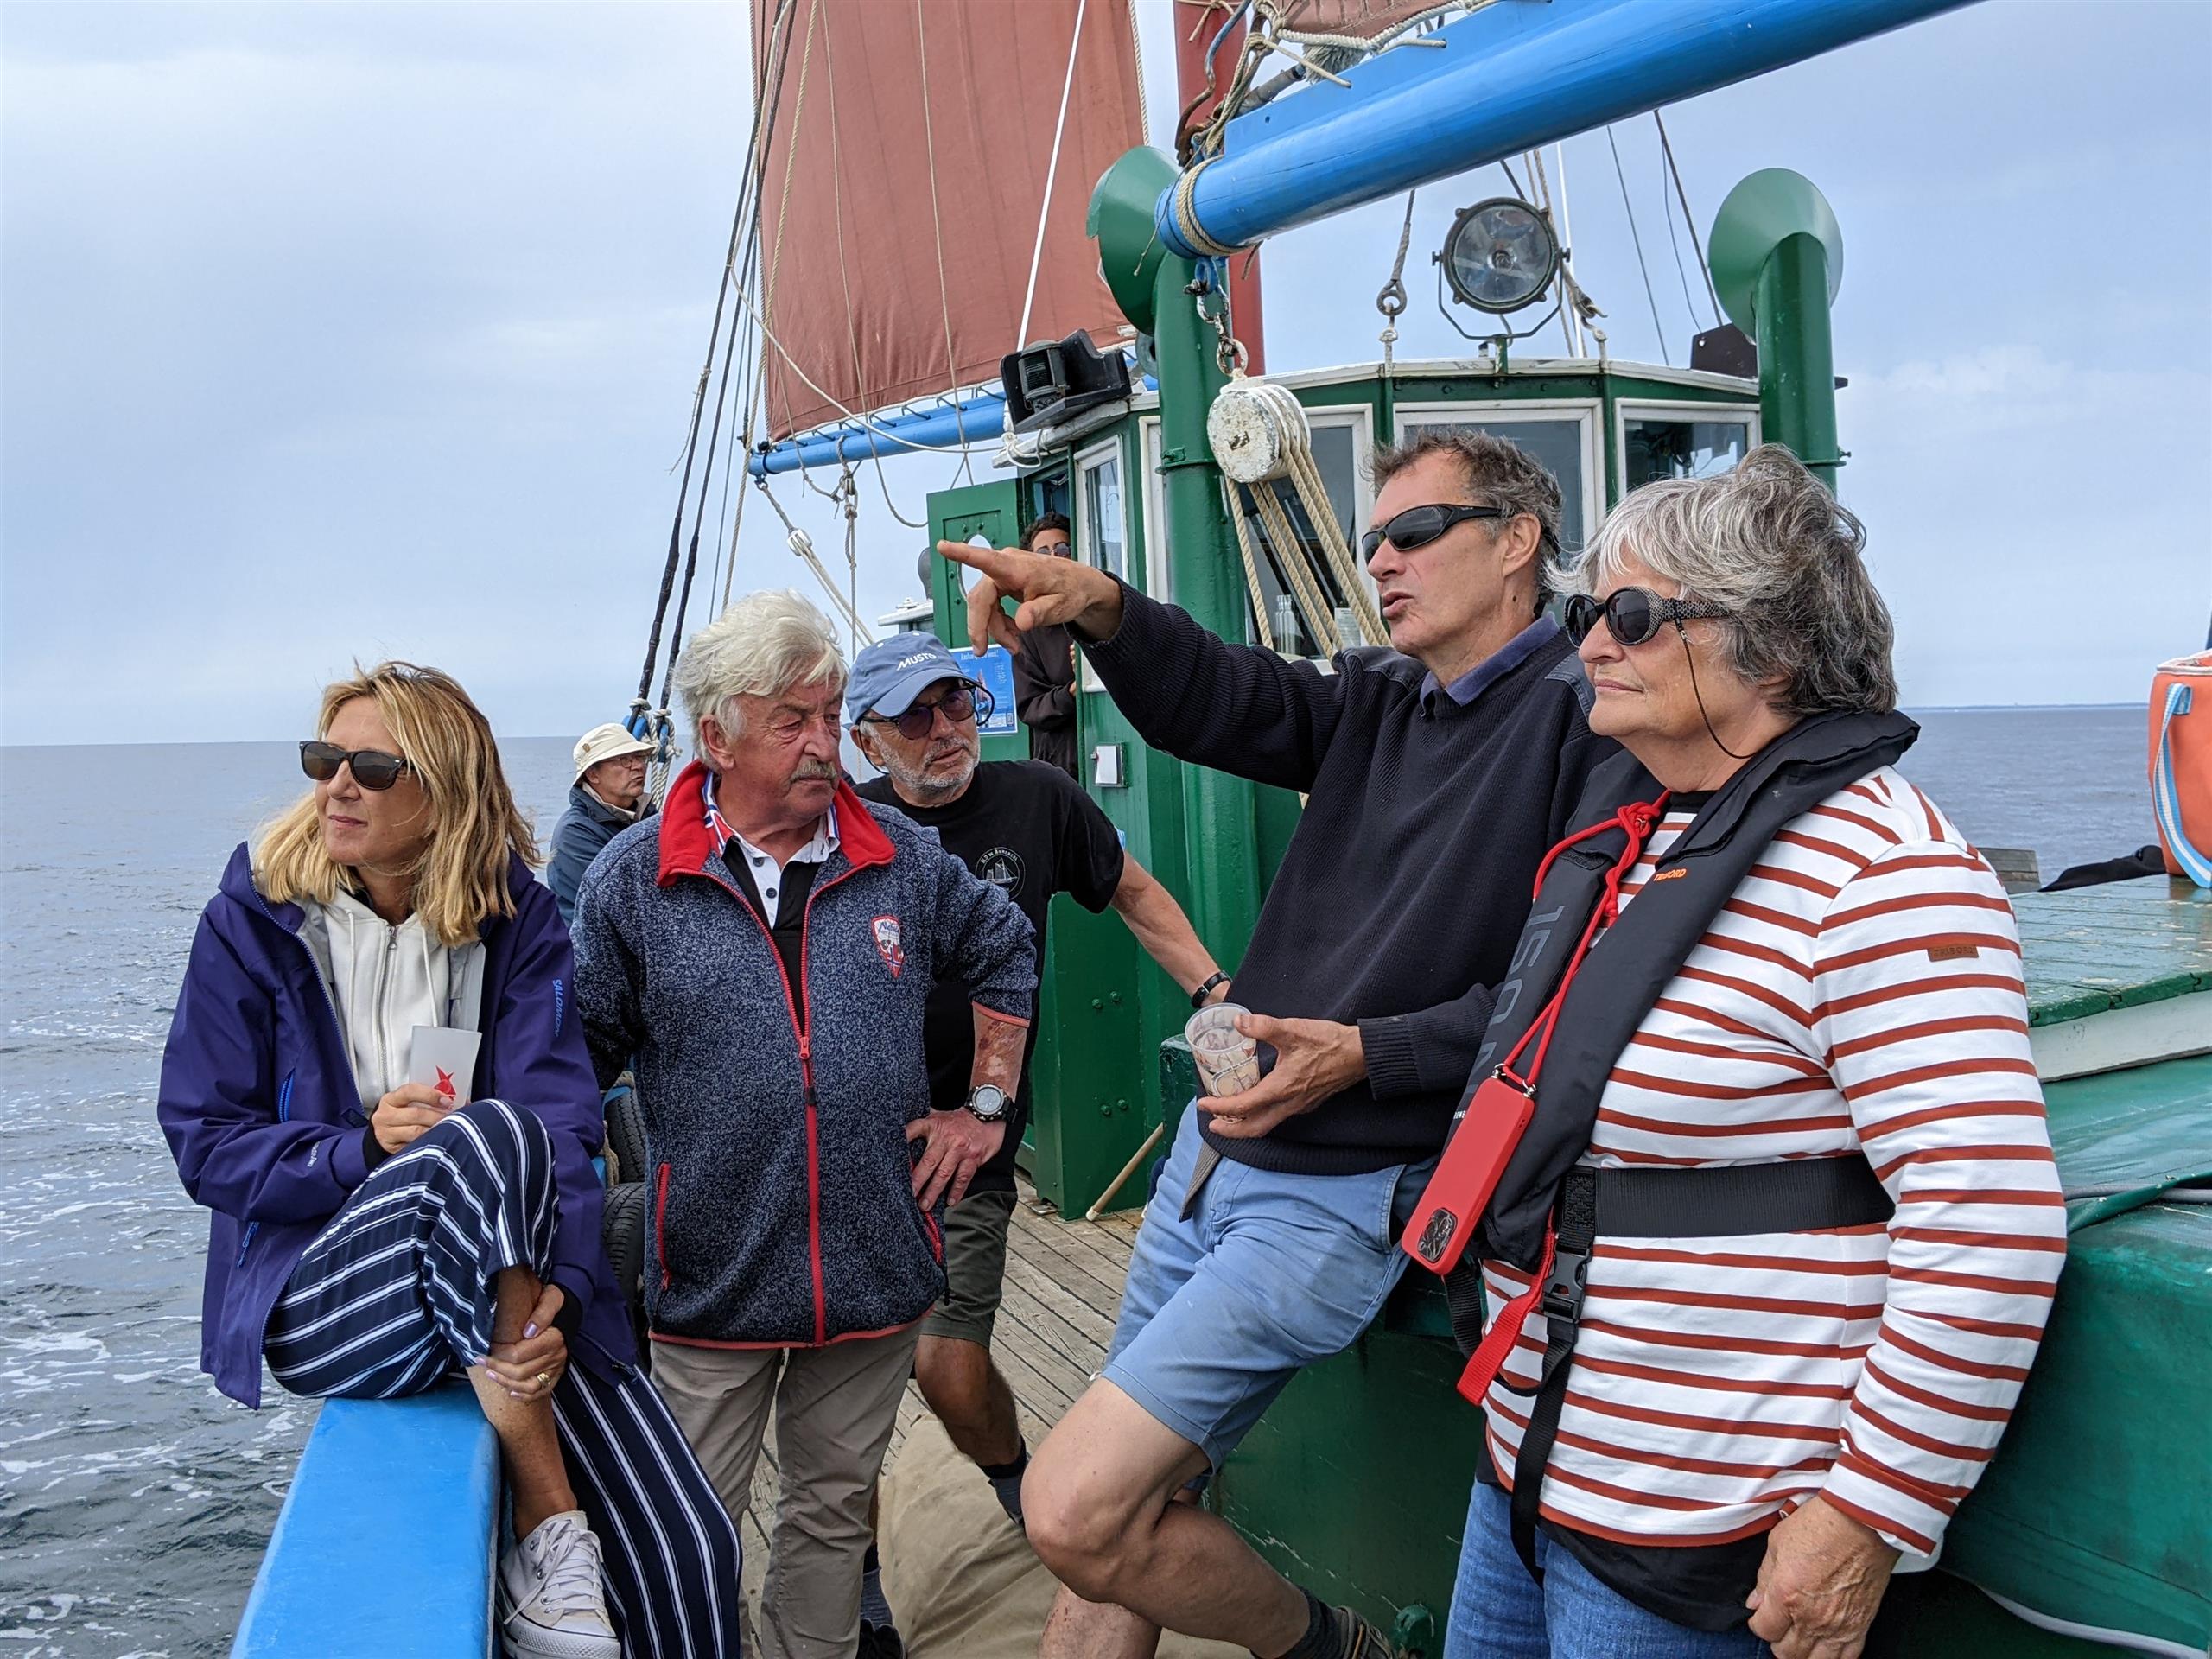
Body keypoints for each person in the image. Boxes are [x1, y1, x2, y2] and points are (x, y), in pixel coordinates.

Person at [943, 430, 1618, 1659]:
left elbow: (1581, 990)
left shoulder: (1592, 723)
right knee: (1131, 1496)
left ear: (1518, 541)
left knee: (1080, 1508)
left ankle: (1326, 1649)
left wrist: (1373, 1055)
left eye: (1414, 534)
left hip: (1340, 1191)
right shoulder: (1381, 697)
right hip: (1210, 1154)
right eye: (1372, 541)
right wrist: (1101, 608)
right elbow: (1225, 698)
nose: (1381, 561)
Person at [1440, 446, 2066, 1659]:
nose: (1591, 646)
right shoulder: (1649, 843)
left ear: (1770, 648)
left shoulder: (1886, 877)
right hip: (1530, 1470)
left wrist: (1868, 1512)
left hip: (1697, 1529)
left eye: (1630, 614)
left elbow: (1987, 1219)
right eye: (1586, 614)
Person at [156, 661, 742, 1659]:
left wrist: (561, 1286)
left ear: (447, 788)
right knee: (485, 1132)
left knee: (695, 1547)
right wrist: (355, 1149)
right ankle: (549, 1529)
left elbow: (566, 1121)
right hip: (329, 1293)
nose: (337, 783)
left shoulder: (516, 922)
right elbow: (205, 1141)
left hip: (497, 1294)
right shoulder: (253, 921)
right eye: (325, 759)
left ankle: (567, 1569)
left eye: (372, 766)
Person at [569, 590, 1039, 1659]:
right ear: (715, 735)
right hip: (712, 1279)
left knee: (830, 1524)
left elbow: (1005, 948)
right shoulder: (631, 883)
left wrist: (986, 1110)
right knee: (684, 1531)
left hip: (873, 1269)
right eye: (793, 719)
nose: (825, 743)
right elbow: (576, 1064)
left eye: (830, 715)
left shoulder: (902, 860)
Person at [848, 632, 1229, 1522]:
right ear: (866, 739)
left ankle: (1018, 1489)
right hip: (855, 1146)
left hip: (970, 1139)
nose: (944, 728)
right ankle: (860, 1581)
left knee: (944, 1360)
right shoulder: (847, 829)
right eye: (913, 715)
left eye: (955, 703)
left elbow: (1131, 891)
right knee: (839, 1381)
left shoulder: (1037, 799)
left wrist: (1216, 995)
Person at [545, 721, 654, 925]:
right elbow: (620, 905)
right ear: (593, 774)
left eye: (639, 757)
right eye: (623, 760)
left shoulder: (648, 819)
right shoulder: (574, 834)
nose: (638, 766)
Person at [1009, 512, 1080, 777]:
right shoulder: (1028, 630)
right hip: (1062, 767)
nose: (1054, 557)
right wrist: (1072, 692)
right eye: (1043, 552)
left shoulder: (1100, 612)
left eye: (1062, 549)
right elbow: (1030, 707)